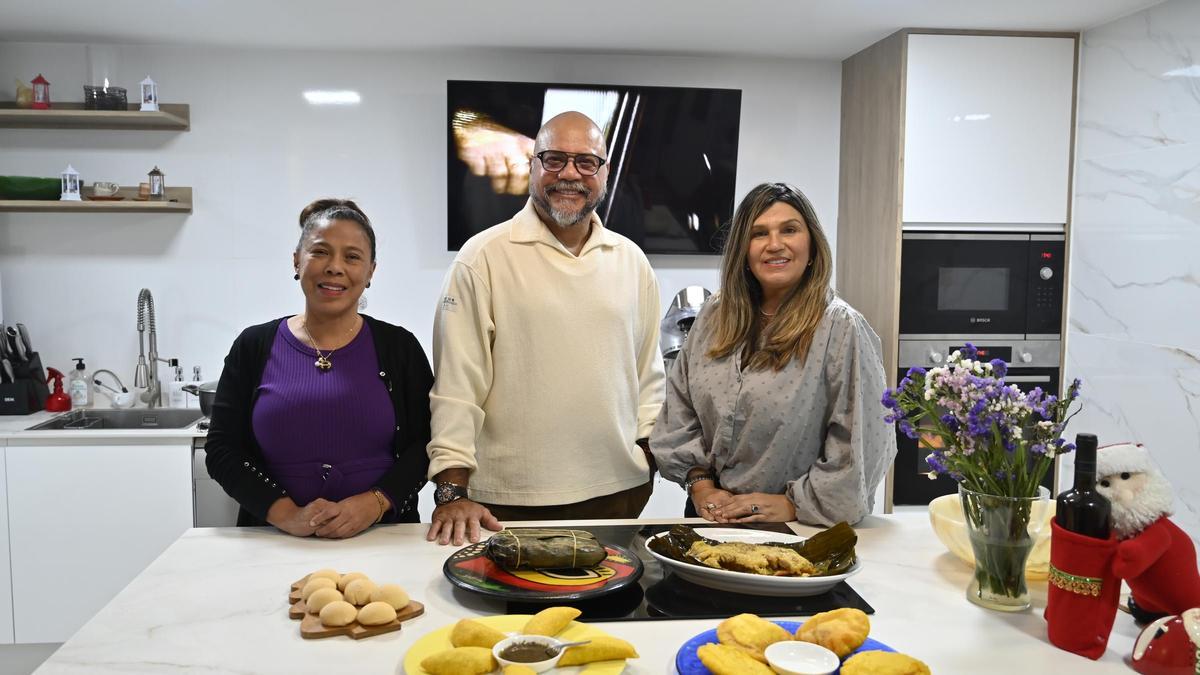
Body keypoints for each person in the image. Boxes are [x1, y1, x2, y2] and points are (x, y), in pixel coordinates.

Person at [426, 111, 666, 545]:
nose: (570, 174)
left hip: (618, 496)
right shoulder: (482, 258)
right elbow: (457, 386)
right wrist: (450, 490)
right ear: (532, 166)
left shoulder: (631, 261)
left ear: (605, 173)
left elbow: (649, 374)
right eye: (554, 159)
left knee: (611, 614)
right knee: (511, 616)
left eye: (586, 162)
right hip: (508, 504)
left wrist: (647, 455)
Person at [650, 182, 896, 526]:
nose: (774, 244)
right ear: (743, 251)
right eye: (759, 233)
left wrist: (795, 505)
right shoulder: (714, 315)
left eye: (789, 230)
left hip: (799, 528)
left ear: (811, 246)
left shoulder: (841, 328)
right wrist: (701, 485)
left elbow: (862, 444)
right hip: (709, 519)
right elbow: (680, 409)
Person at [205, 199, 433, 538]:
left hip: (383, 535)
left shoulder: (399, 347)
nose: (335, 267)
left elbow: (427, 442)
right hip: (273, 538)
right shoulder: (253, 346)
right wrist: (287, 515)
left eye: (352, 256)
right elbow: (222, 450)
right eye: (321, 252)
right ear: (297, 260)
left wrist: (374, 503)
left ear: (370, 271)